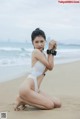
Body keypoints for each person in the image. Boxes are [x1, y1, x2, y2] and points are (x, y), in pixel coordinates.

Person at [14, 28, 61, 111]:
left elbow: (50, 67)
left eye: (42, 41)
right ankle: (21, 99)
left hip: (36, 89)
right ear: (32, 43)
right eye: (36, 42)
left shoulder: (43, 54)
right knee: (49, 105)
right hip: (27, 88)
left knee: (57, 103)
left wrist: (53, 50)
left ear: (45, 41)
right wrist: (50, 48)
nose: (39, 44)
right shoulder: (35, 52)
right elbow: (49, 66)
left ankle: (25, 100)